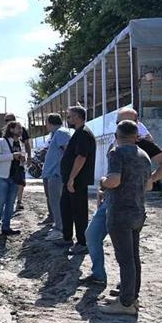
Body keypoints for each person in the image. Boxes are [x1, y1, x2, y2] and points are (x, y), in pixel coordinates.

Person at [80, 108, 162, 287]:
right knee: (93, 235)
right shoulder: (116, 143)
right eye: (119, 122)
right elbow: (113, 174)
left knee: (127, 255)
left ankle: (128, 292)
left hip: (127, 204)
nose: (121, 126)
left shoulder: (143, 144)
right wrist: (104, 191)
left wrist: (152, 179)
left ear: (137, 122)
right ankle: (100, 275)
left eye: (125, 122)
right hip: (113, 200)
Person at [98, 120, 152, 315]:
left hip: (120, 212)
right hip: (138, 212)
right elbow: (149, 185)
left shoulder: (116, 152)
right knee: (134, 258)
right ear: (136, 136)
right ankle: (132, 297)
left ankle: (126, 303)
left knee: (125, 260)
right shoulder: (144, 155)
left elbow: (113, 181)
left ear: (117, 136)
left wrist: (102, 182)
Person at [55, 106, 96, 255]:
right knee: (66, 208)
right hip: (70, 180)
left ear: (78, 117)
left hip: (77, 181)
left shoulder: (83, 133)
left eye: (70, 117)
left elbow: (81, 157)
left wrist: (72, 178)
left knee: (79, 212)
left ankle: (82, 243)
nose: (68, 119)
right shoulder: (78, 133)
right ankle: (67, 238)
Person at [0, 121, 25, 239]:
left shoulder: (19, 143)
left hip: (14, 177)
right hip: (2, 177)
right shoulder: (1, 142)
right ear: (11, 129)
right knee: (1, 202)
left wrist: (22, 159)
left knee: (11, 203)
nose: (21, 131)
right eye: (18, 128)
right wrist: (12, 156)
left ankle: (6, 227)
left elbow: (20, 158)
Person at [41, 113, 71, 241]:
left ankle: (60, 229)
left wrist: (62, 170)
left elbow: (68, 152)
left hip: (57, 174)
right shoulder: (56, 134)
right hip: (54, 173)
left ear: (50, 122)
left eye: (46, 123)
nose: (46, 125)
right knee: (55, 202)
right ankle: (59, 226)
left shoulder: (61, 133)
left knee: (57, 203)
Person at [0, 114, 31, 210]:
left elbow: (27, 143)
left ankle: (19, 202)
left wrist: (29, 157)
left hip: (19, 162)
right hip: (8, 163)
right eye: (6, 120)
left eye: (9, 120)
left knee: (20, 182)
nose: (7, 122)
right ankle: (8, 202)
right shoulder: (3, 132)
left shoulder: (21, 130)